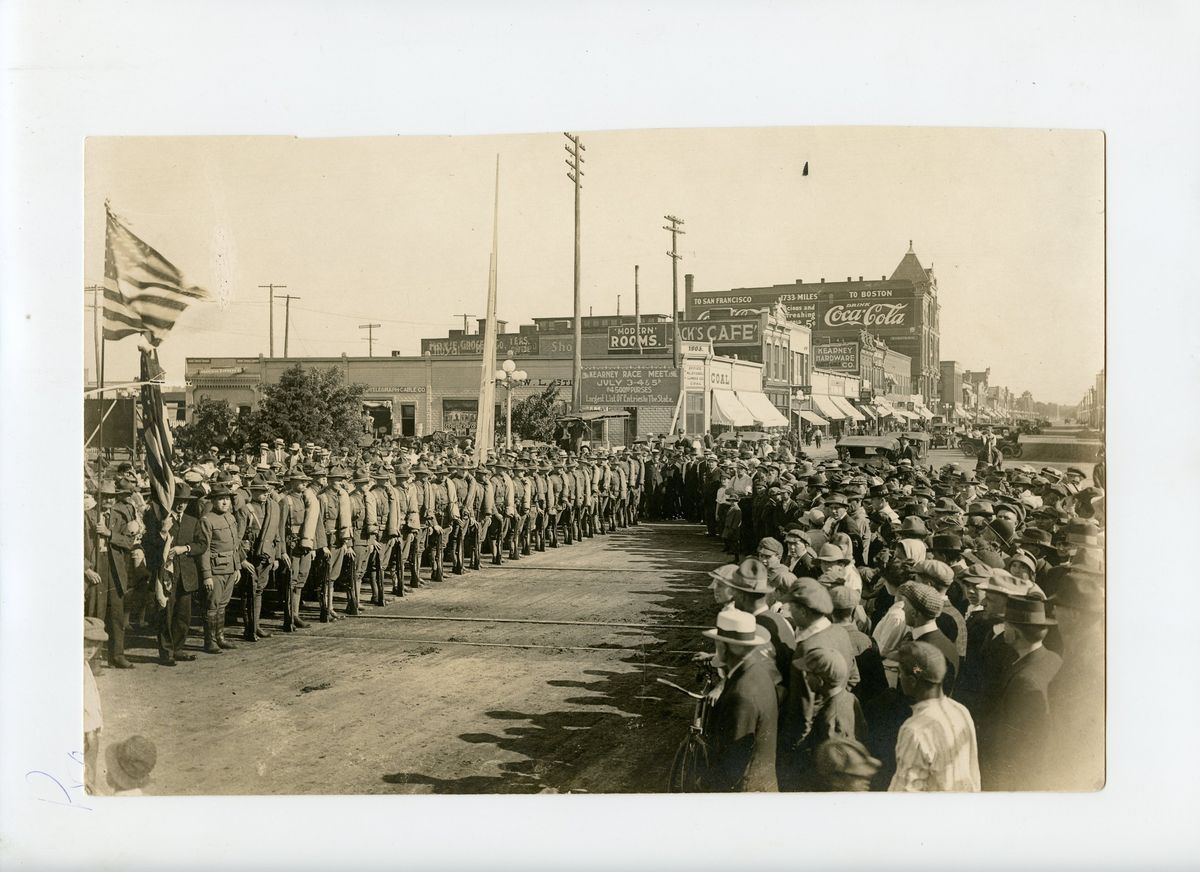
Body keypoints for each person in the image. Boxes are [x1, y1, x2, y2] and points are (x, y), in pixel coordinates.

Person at [977, 596, 1063, 791]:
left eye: (1005, 624)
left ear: (1015, 633)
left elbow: (1012, 743)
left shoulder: (1023, 680)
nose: (1003, 628)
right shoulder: (1053, 658)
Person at [700, 609, 779, 792]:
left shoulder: (741, 695)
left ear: (729, 647)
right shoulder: (758, 672)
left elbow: (732, 764)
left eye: (718, 642)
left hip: (745, 791)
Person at [888, 641, 981, 792]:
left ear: (912, 681)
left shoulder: (914, 729)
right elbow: (973, 771)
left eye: (901, 673)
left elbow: (904, 792)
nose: (899, 677)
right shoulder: (960, 710)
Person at [190, 481, 242, 653]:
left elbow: (235, 545)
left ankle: (220, 637)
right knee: (211, 605)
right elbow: (203, 550)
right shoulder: (206, 520)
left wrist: (237, 567)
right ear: (213, 501)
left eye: (227, 498)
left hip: (229, 568)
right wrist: (206, 575)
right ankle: (209, 641)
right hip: (215, 569)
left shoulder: (231, 517)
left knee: (222, 604)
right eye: (221, 499)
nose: (225, 502)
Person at [896, 581, 959, 696]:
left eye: (905, 606)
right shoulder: (946, 643)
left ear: (915, 613)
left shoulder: (921, 651)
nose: (902, 609)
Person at [83, 617, 107, 794]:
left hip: (91, 726)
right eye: (86, 643)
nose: (91, 649)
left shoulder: (85, 665)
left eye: (95, 644)